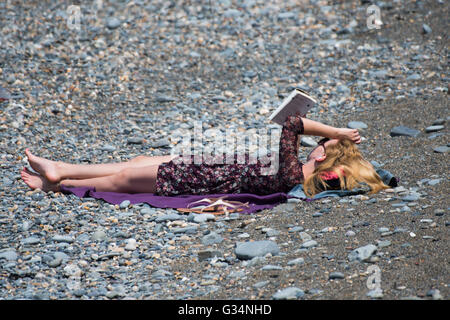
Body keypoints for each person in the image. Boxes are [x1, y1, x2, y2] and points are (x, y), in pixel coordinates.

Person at [20, 113, 389, 197]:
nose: (317, 145)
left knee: (122, 182)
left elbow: (291, 124)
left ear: (324, 157)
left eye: (321, 147)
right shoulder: (297, 173)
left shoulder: (296, 175)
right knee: (133, 164)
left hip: (200, 178)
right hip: (211, 166)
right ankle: (61, 168)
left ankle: (58, 183)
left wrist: (336, 132)